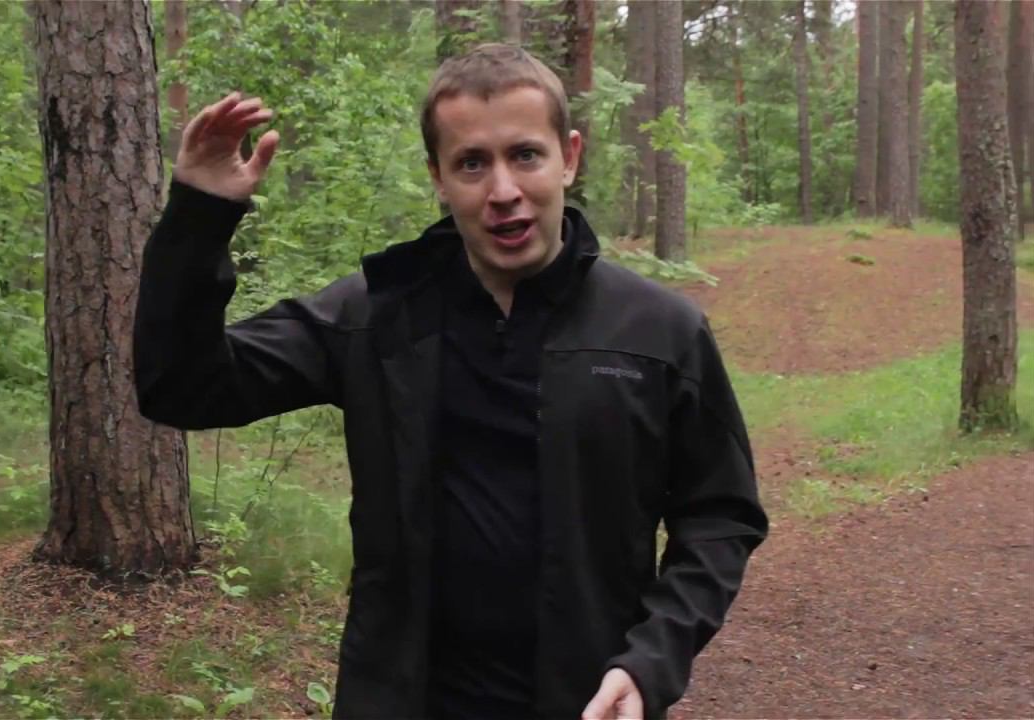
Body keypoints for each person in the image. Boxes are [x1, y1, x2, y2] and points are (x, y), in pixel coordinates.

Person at [134, 44, 767, 720]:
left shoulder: (656, 331)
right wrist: (199, 215)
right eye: (472, 163)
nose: (503, 191)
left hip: (590, 702)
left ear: (569, 157)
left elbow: (720, 515)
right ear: (437, 177)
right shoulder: (377, 316)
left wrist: (651, 661)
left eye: (525, 155)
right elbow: (182, 386)